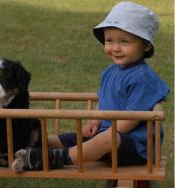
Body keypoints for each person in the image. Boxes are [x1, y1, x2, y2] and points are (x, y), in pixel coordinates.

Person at [22, 1, 170, 170]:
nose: (115, 48)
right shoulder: (111, 71)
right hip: (107, 136)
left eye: (124, 42)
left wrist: (103, 135)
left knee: (106, 139)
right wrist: (95, 120)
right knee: (63, 139)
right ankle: (30, 149)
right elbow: (104, 100)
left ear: (145, 45)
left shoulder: (143, 79)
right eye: (109, 40)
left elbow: (130, 120)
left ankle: (61, 158)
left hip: (135, 146)